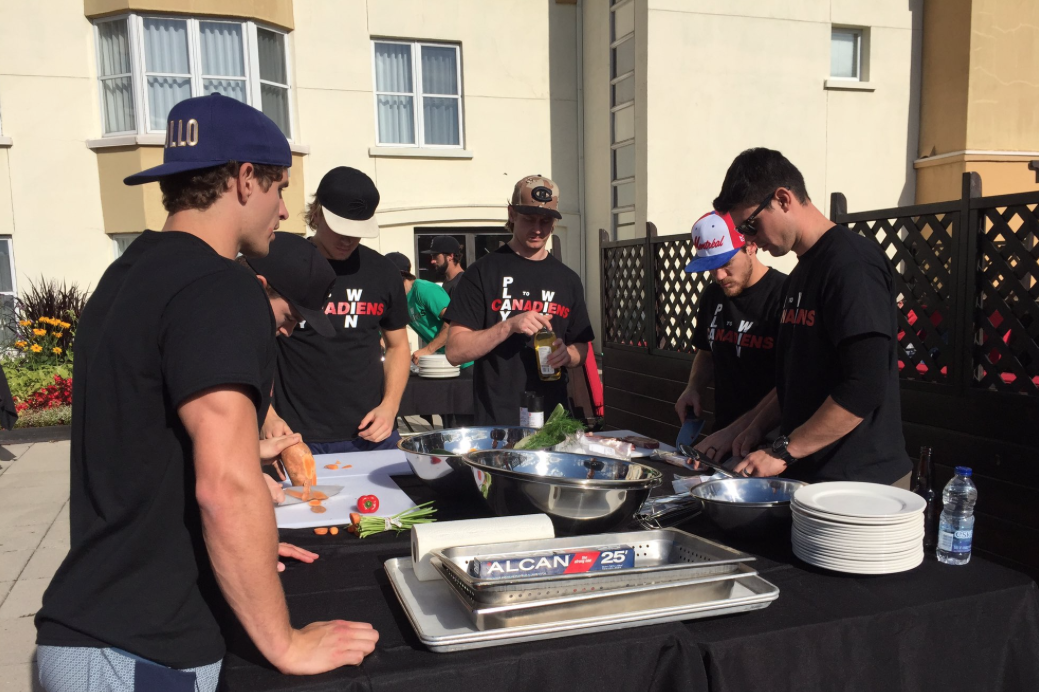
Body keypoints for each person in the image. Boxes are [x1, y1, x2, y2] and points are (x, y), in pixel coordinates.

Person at [35, 94, 377, 692]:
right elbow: (225, 486)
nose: (285, 209)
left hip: (98, 628)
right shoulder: (219, 287)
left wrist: (245, 555)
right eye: (280, 187)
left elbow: (144, 455)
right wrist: (285, 640)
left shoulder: (128, 273)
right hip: (137, 651)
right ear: (246, 179)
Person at [704, 147, 911, 486]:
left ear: (783, 199)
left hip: (862, 485)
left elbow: (865, 385)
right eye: (744, 232)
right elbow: (795, 381)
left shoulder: (851, 264)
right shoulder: (801, 273)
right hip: (813, 477)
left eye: (751, 225)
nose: (751, 239)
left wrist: (784, 451)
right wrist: (749, 428)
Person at [264, 166, 410, 453]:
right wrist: (266, 414)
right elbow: (256, 347)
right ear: (316, 213)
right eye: (339, 228)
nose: (348, 239)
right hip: (296, 433)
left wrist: (389, 407)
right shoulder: (284, 263)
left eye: (357, 231)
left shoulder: (383, 272)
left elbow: (398, 346)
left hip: (372, 433)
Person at [444, 175, 595, 425]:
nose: (537, 229)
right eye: (529, 219)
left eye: (545, 221)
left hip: (553, 420)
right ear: (511, 214)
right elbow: (455, 351)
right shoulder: (482, 272)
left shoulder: (567, 279)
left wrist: (566, 355)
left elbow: (582, 347)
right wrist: (508, 326)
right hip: (498, 419)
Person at [674, 210, 786, 444]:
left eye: (726, 263)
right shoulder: (714, 295)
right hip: (723, 432)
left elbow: (794, 380)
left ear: (751, 246)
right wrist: (693, 387)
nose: (719, 275)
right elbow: (707, 352)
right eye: (711, 267)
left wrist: (749, 428)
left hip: (773, 439)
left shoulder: (785, 296)